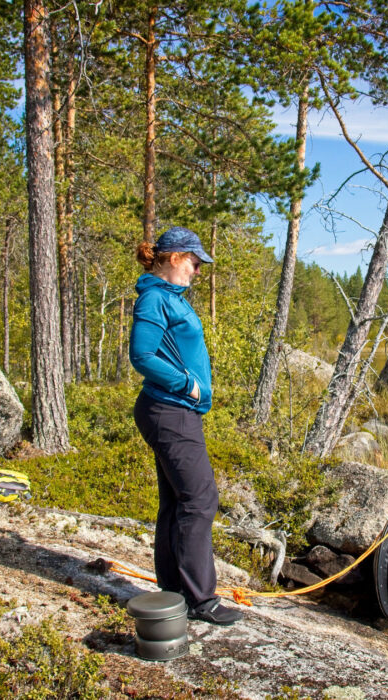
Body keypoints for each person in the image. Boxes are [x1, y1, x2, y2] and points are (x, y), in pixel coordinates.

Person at [129, 225, 242, 626]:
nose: (197, 271)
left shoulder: (169, 298)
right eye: (194, 263)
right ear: (174, 258)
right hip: (170, 409)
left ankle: (173, 590)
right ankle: (200, 599)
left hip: (175, 409)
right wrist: (188, 385)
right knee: (200, 499)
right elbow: (141, 355)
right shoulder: (155, 299)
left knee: (178, 501)